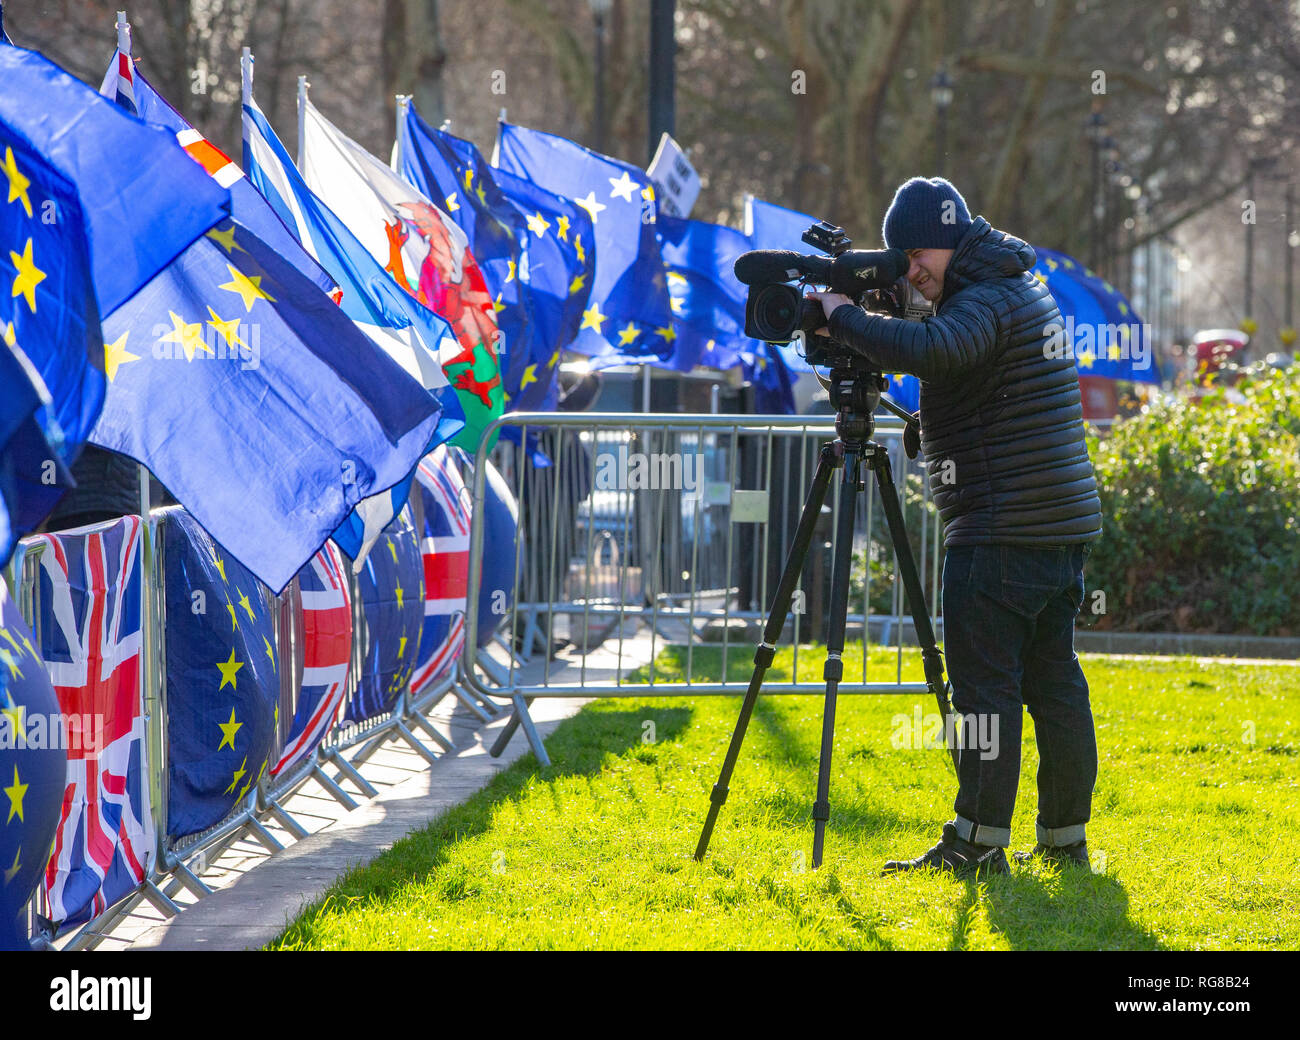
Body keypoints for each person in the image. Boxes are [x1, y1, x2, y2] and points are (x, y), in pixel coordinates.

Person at [808, 176, 1102, 878]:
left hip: (1003, 528)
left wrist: (842, 317)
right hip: (1056, 523)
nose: (913, 270)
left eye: (920, 256)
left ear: (952, 239)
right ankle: (1065, 839)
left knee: (985, 693)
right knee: (1052, 680)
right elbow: (968, 373)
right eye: (903, 258)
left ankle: (976, 843)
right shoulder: (1014, 281)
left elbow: (940, 351)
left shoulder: (985, 297)